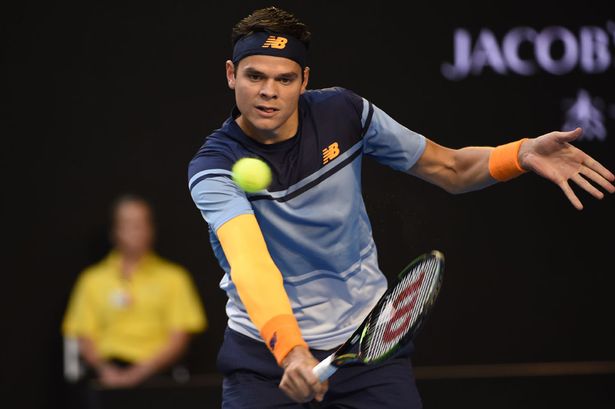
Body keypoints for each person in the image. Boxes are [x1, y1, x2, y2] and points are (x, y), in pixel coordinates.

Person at [187, 6, 614, 409]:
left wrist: (519, 153)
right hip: (265, 358)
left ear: (304, 80)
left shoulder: (345, 113)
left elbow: (449, 167)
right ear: (231, 74)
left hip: (368, 343)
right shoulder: (213, 166)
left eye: (285, 79)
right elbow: (250, 264)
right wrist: (292, 352)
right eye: (255, 76)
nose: (268, 92)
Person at [62, 194, 207, 393]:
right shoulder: (91, 280)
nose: (135, 231)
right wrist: (107, 371)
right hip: (107, 376)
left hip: (158, 376)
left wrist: (137, 375)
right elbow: (83, 335)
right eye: (128, 224)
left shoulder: (174, 278)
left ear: (151, 229)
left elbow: (179, 338)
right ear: (115, 231)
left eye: (141, 224)